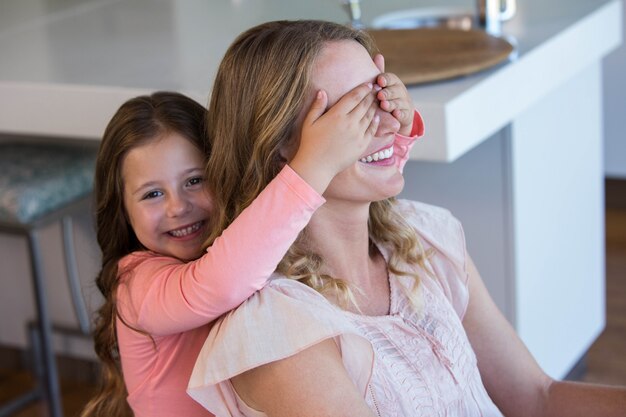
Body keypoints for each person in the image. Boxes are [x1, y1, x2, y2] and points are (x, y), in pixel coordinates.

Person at [186, 20, 626, 417]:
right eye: (351, 110)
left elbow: (538, 398)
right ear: (279, 142)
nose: (385, 123)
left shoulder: (425, 240)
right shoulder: (278, 332)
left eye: (381, 95)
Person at [80, 87, 419, 417]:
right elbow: (217, 284)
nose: (177, 207)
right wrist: (317, 162)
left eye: (195, 181)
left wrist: (397, 127)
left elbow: (343, 194)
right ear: (122, 210)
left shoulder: (248, 243)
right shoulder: (135, 285)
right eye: (152, 194)